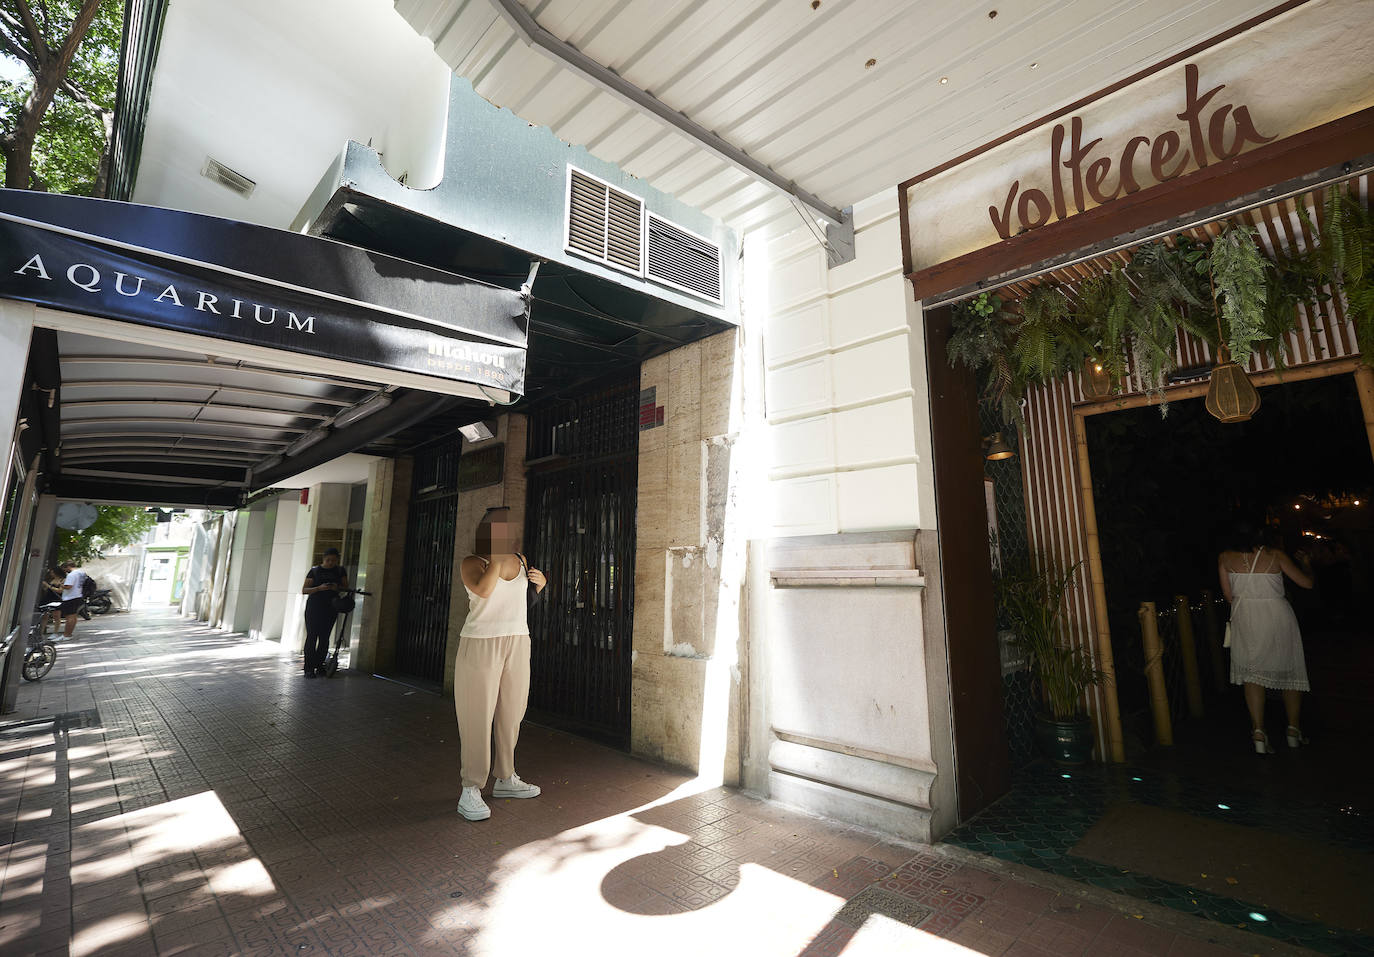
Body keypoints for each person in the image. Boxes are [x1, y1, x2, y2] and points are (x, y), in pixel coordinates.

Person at [454, 506, 547, 821]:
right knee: (476, 717)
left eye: (510, 526)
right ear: (487, 531)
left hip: (518, 640)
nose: (508, 531)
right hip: (481, 643)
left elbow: (520, 601)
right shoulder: (473, 562)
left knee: (512, 713)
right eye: (500, 527)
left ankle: (506, 778)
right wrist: (495, 556)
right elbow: (483, 590)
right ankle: (471, 788)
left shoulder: (520, 559)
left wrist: (540, 585)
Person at [1218, 521, 1314, 753]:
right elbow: (1307, 583)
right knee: (1290, 670)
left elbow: (1229, 597)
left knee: (1252, 674)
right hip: (1278, 616)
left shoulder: (1225, 557)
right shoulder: (1276, 555)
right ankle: (1293, 730)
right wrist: (1306, 564)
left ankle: (1259, 732)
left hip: (1246, 618)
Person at [301, 548, 347, 679]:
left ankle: (320, 665)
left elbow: (346, 587)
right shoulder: (315, 571)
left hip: (331, 608)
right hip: (314, 607)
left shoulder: (340, 570)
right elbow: (304, 590)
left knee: (325, 638)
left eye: (333, 560)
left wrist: (336, 588)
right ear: (323, 559)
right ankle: (308, 668)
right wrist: (319, 588)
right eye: (328, 560)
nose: (331, 562)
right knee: (312, 637)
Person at [58, 561, 87, 638]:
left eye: (64, 569)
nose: (65, 571)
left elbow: (68, 586)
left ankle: (66, 635)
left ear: (68, 566)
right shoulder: (81, 573)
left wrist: (61, 585)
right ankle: (69, 633)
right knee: (74, 616)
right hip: (78, 595)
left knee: (69, 617)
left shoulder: (71, 575)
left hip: (70, 597)